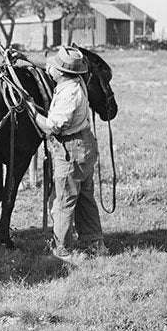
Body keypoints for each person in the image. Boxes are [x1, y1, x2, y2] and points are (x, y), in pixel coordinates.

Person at [33, 46, 107, 259]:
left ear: (61, 72)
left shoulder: (68, 94)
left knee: (64, 200)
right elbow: (49, 66)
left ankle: (63, 250)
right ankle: (95, 243)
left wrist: (32, 110)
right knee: (85, 196)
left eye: (53, 66)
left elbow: (52, 127)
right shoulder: (76, 81)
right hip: (84, 145)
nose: (49, 68)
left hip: (71, 149)